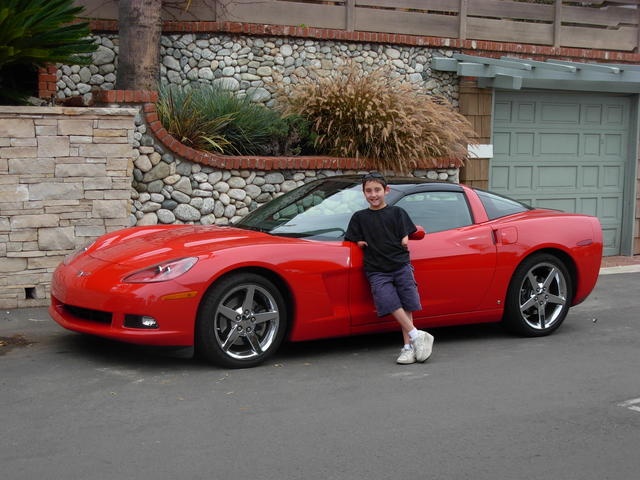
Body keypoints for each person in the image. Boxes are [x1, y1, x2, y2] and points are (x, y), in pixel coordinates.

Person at [345, 172, 434, 365]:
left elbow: (408, 233)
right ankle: (417, 335)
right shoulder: (359, 217)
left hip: (400, 265)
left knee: (407, 304)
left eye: (377, 190)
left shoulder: (397, 212)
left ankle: (409, 347)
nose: (373, 194)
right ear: (363, 193)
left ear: (386, 190)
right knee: (388, 301)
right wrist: (358, 241)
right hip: (376, 269)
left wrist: (405, 237)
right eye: (368, 191)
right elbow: (352, 237)